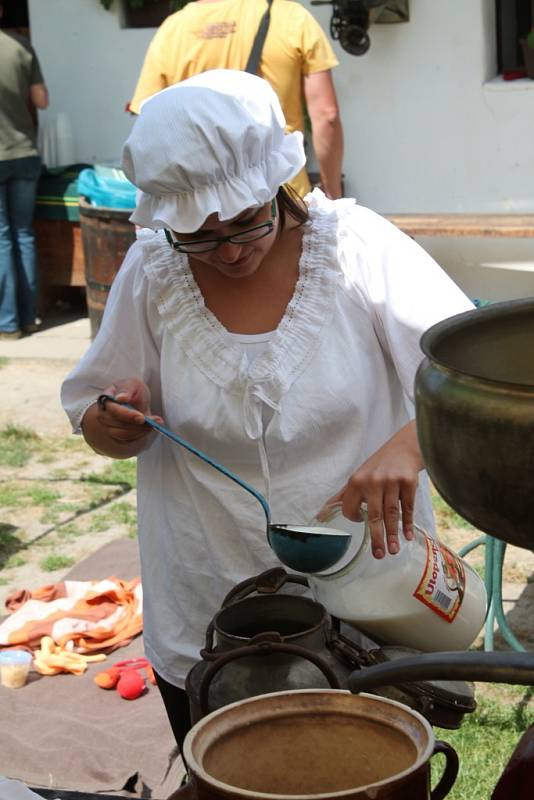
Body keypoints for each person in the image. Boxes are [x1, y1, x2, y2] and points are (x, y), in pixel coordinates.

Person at [61, 69, 473, 752]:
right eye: (197, 232)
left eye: (247, 219)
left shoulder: (356, 247)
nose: (227, 249)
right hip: (207, 608)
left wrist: (410, 443)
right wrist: (112, 423)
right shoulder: (150, 274)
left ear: (280, 182)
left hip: (371, 599)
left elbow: (468, 371)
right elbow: (95, 411)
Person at [129, 0, 343, 199]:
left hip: (202, 207)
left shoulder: (172, 29)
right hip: (283, 194)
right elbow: (327, 115)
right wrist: (332, 194)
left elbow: (151, 127)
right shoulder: (292, 17)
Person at [0, 3, 49, 339]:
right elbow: (42, 100)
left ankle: (7, 324)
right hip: (24, 152)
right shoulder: (22, 46)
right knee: (23, 234)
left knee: (1, 239)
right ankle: (30, 316)